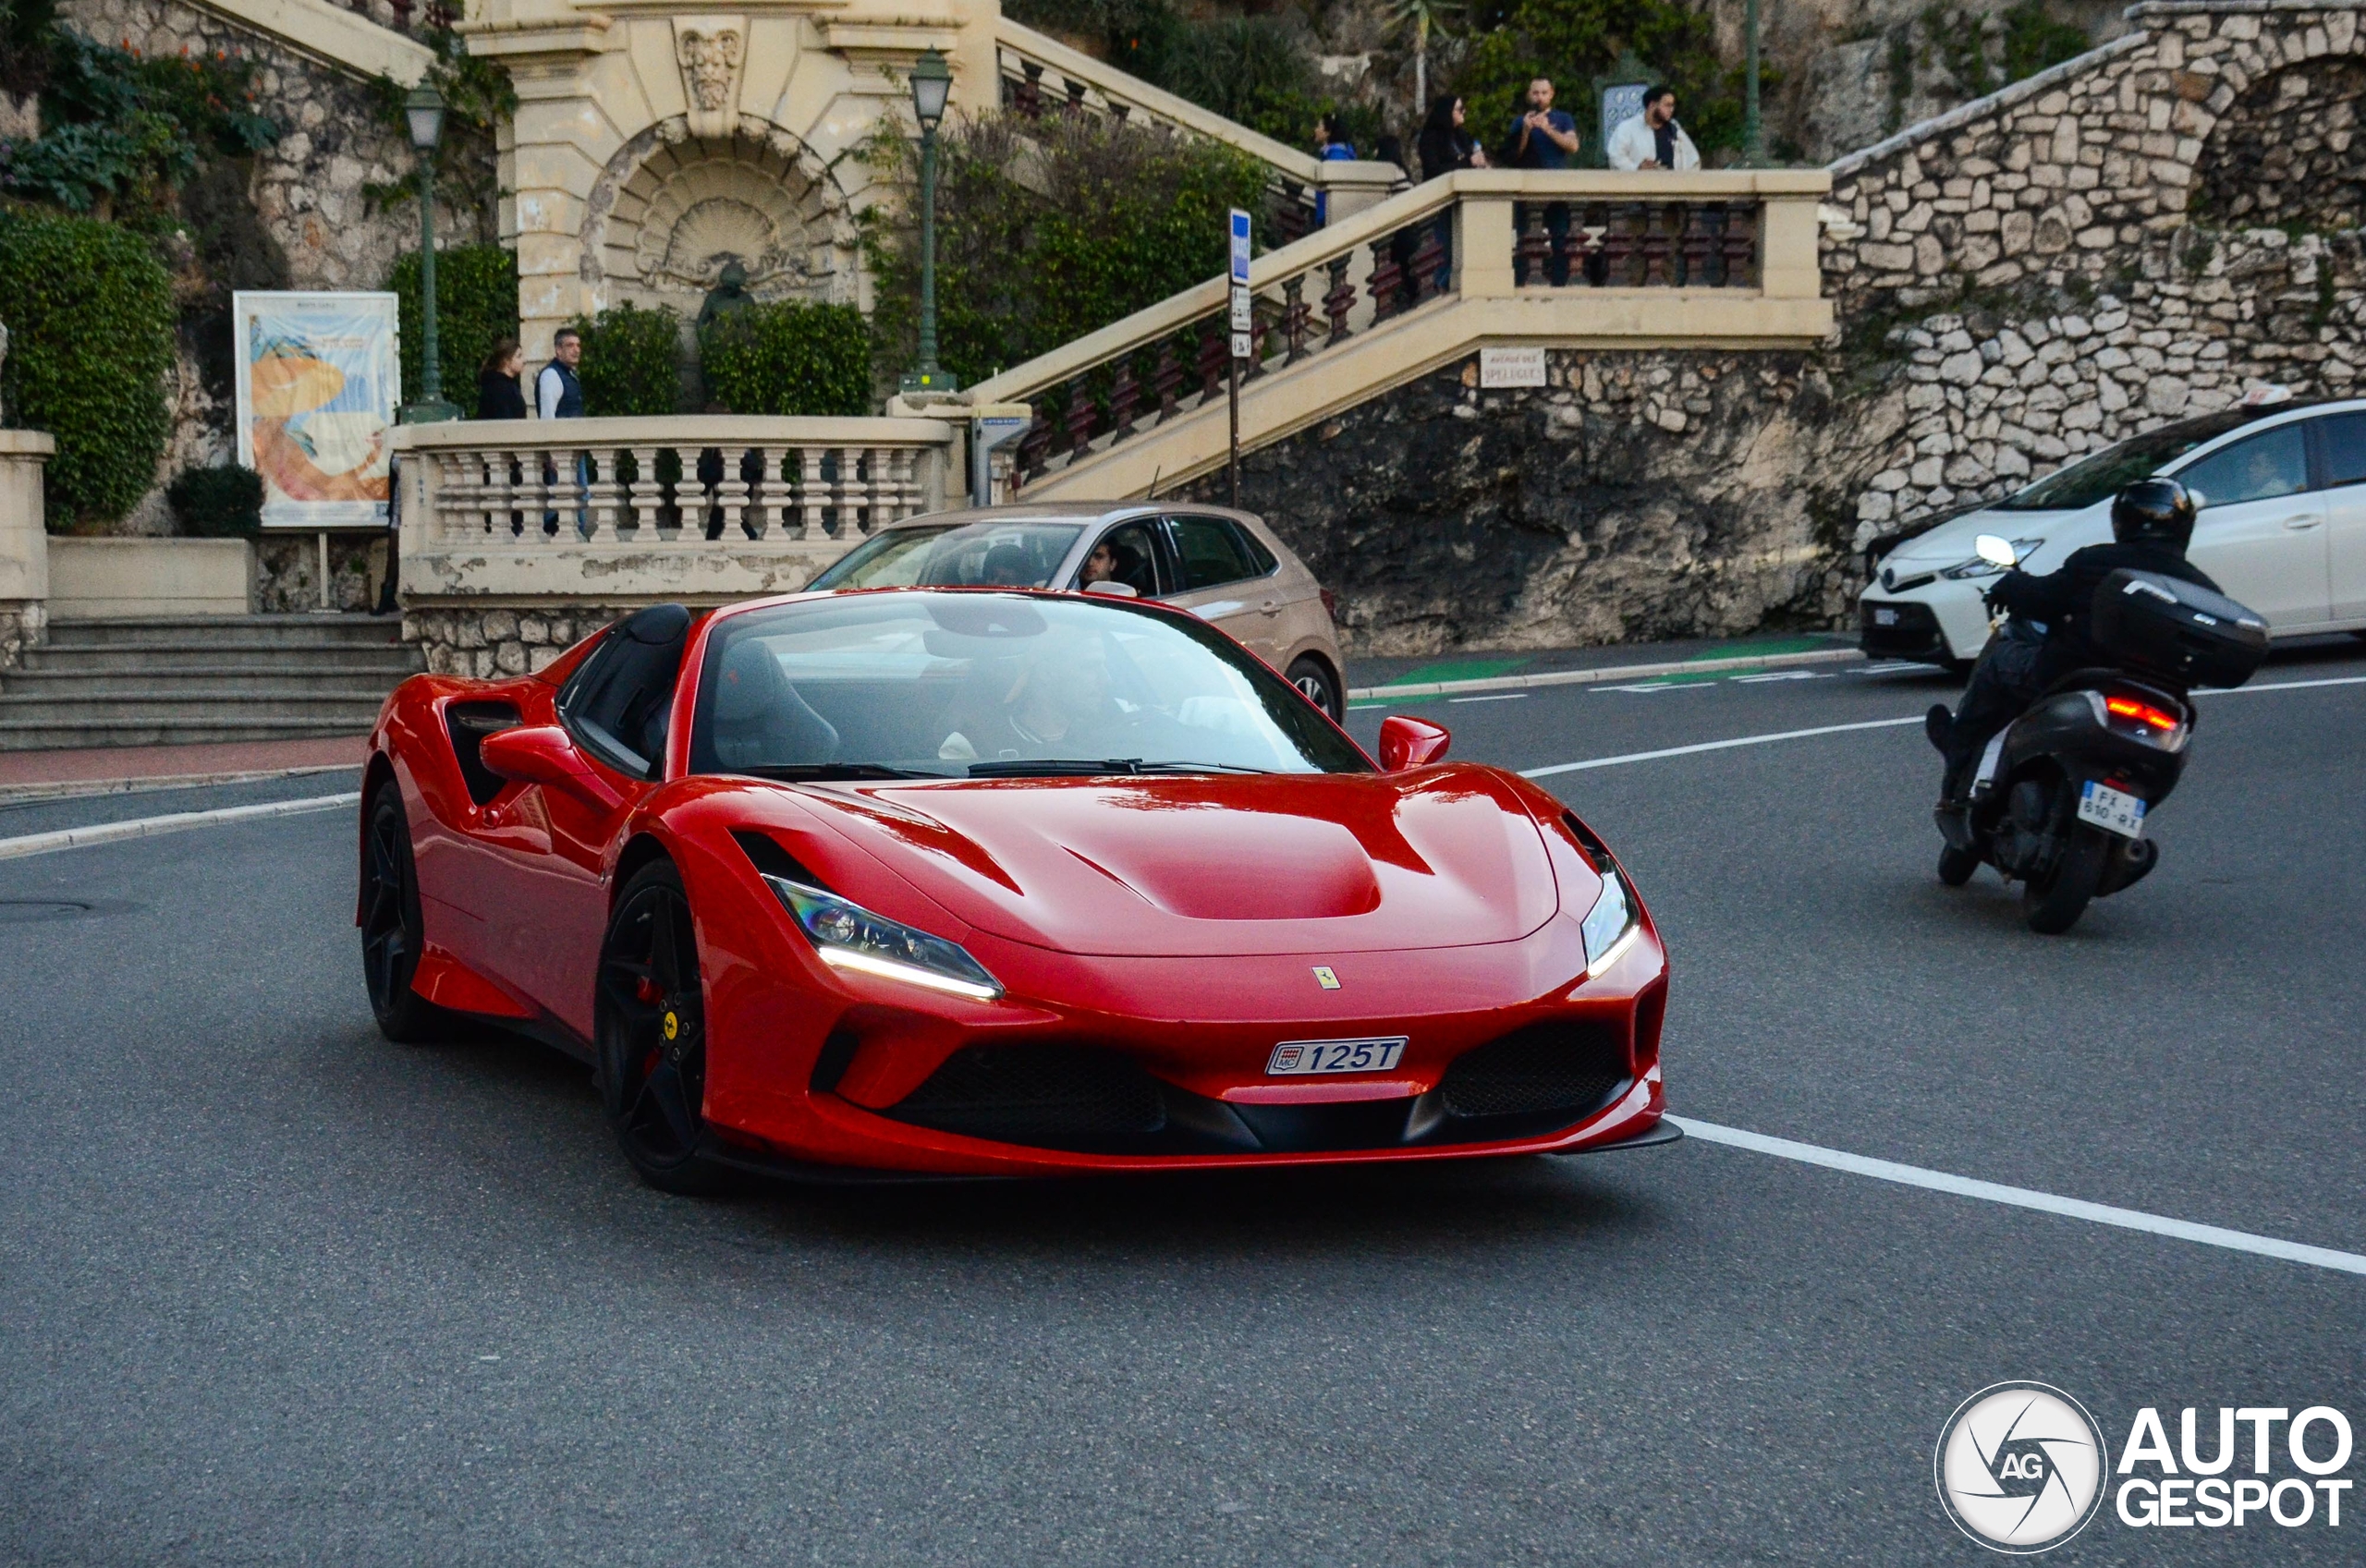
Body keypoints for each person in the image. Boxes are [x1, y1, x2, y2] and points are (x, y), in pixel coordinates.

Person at [1928, 479, 2222, 798]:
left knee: (2002, 654)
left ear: (2121, 521)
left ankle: (1960, 746)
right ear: (2185, 526)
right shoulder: (2203, 590)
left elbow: (2044, 598)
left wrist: (2011, 584)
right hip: (2160, 702)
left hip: (2073, 678)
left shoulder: (2096, 561)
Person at [1505, 79, 1579, 285]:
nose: (1540, 97)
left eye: (1544, 92)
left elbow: (1573, 146)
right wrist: (1526, 131)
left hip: (1557, 188)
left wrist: (1548, 130)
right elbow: (1513, 155)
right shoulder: (1519, 122)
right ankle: (1525, 281)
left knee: (1560, 237)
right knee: (1526, 238)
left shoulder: (1563, 119)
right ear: (1530, 95)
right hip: (1528, 189)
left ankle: (1559, 282)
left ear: (1552, 94)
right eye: (1536, 93)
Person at [1416, 95, 1485, 292]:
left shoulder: (1462, 136)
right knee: (1442, 246)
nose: (1464, 112)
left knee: (1462, 247)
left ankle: (1449, 284)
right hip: (1441, 202)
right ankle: (1438, 285)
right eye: (1459, 108)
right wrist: (1467, 163)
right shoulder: (1430, 138)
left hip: (1462, 202)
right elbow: (1433, 170)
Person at [535, 328, 587, 536]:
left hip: (574, 448)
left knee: (576, 497)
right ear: (558, 350)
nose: (576, 350)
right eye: (570, 345)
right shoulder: (552, 376)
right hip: (563, 450)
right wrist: (553, 453)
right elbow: (548, 416)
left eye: (578, 345)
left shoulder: (568, 375)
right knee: (566, 499)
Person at [1608, 85, 1702, 172]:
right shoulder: (1627, 128)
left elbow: (1693, 160)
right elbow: (1615, 157)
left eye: (1672, 105)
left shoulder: (1674, 129)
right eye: (1667, 105)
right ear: (1652, 104)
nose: (1671, 110)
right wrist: (1637, 168)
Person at [1312, 112, 1357, 226]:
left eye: (1319, 126)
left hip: (1331, 215)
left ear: (1328, 132)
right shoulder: (1335, 153)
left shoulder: (1337, 156)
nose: (1316, 130)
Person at [475, 340, 526, 420]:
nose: (523, 361)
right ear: (506, 361)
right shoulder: (499, 388)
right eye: (518, 356)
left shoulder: (509, 385)